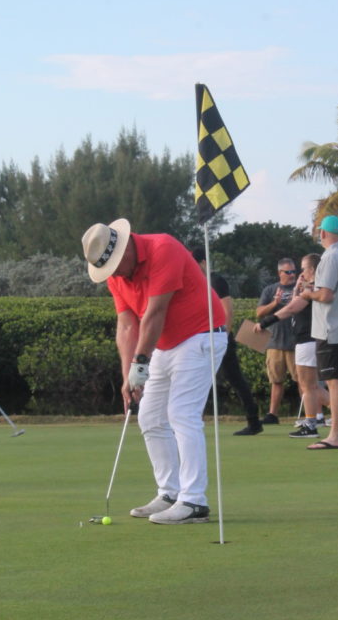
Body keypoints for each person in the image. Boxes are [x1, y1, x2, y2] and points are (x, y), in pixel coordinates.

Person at [81, 219, 228, 524]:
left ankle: (194, 501)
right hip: (166, 344)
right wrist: (128, 377)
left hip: (202, 334)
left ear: (125, 250)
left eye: (117, 267)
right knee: (149, 416)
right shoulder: (116, 275)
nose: (116, 275)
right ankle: (170, 493)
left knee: (181, 414)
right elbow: (126, 325)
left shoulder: (164, 248)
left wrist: (140, 364)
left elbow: (154, 312)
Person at [299, 215, 338, 449]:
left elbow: (325, 295)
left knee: (334, 382)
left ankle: (334, 435)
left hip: (331, 329)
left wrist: (307, 294)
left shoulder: (329, 257)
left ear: (323, 234)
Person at [255, 252, 330, 438]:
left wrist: (264, 323)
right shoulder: (314, 288)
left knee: (308, 386)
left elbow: (291, 309)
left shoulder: (312, 289)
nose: (300, 273)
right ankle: (318, 420)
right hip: (310, 340)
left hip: (308, 339)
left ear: (312, 270)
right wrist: (298, 288)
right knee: (310, 386)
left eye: (303, 269)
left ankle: (320, 420)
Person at [190, 246, 262, 436]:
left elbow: (227, 311)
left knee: (235, 378)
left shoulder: (216, 281)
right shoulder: (196, 283)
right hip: (203, 339)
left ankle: (254, 421)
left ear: (204, 263)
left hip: (220, 338)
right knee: (199, 380)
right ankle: (191, 420)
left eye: (195, 264)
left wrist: (224, 337)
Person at [255, 258, 298, 424]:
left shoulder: (300, 288)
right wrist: (275, 303)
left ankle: (310, 415)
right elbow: (259, 313)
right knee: (276, 380)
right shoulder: (270, 290)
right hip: (275, 343)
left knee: (303, 381)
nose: (292, 275)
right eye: (288, 272)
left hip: (296, 343)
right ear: (279, 273)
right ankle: (272, 415)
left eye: (294, 271)